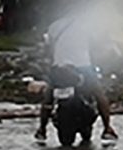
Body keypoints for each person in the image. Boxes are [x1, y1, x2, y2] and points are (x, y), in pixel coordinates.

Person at [37, 12, 118, 142]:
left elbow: (49, 49)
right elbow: (96, 48)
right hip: (83, 68)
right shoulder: (88, 26)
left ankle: (42, 130)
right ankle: (107, 128)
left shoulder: (54, 26)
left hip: (59, 69)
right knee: (99, 95)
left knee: (48, 99)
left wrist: (56, 62)